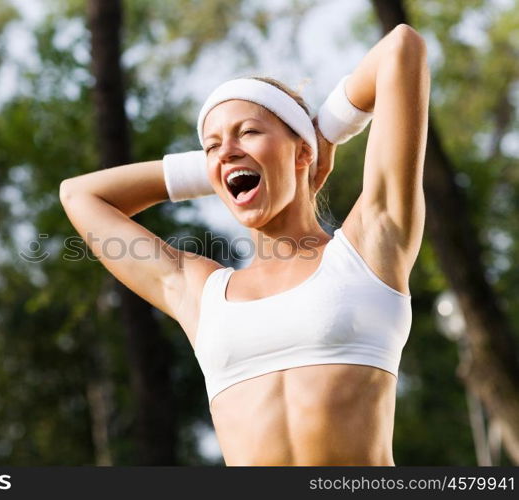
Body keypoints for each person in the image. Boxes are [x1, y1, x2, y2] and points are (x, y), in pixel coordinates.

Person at [60, 23, 430, 466]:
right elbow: (80, 195)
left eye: (249, 132)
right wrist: (218, 167)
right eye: (211, 144)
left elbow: (401, 47)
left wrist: (327, 130)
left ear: (301, 154)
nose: (227, 149)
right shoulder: (198, 292)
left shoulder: (369, 247)